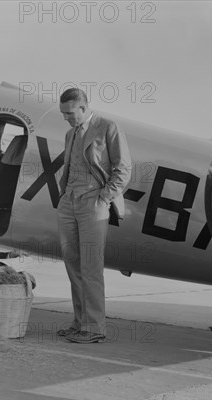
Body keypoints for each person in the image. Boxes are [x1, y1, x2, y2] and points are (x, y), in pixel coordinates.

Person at [57, 88, 132, 343]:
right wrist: (64, 196)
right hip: (69, 200)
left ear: (83, 107)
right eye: (63, 114)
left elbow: (123, 169)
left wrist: (104, 197)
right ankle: (79, 322)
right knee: (72, 263)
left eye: (69, 113)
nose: (66, 118)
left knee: (90, 266)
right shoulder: (70, 133)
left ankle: (94, 328)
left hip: (93, 201)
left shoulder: (108, 127)